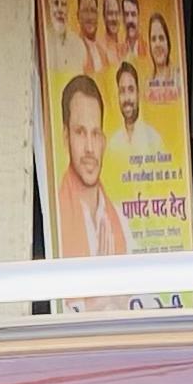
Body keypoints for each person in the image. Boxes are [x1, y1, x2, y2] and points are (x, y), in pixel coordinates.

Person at [54, 74, 126, 257]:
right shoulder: (55, 216)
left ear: (103, 141)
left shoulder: (121, 220)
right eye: (80, 132)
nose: (89, 148)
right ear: (65, 137)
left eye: (95, 134)